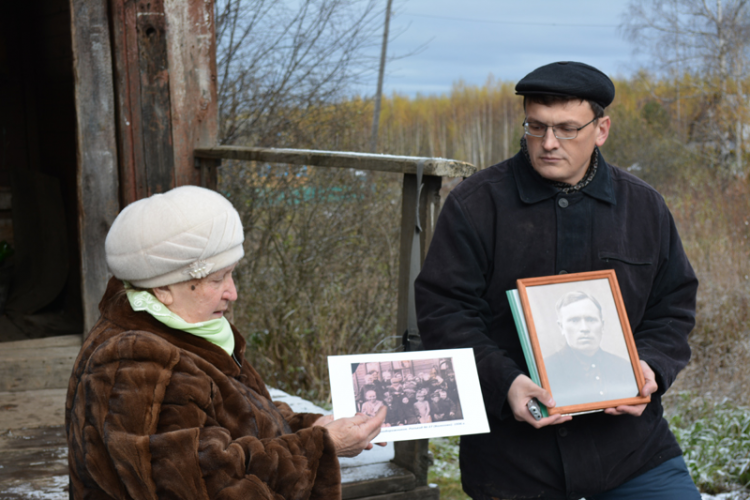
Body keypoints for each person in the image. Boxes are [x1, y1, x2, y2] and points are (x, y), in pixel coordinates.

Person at [415, 61, 700, 500]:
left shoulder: (644, 208)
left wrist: (648, 366)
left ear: (601, 129)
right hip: (514, 463)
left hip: (632, 455)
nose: (548, 143)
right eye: (536, 127)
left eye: (567, 129)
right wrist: (505, 382)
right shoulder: (475, 205)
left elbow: (673, 306)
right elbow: (444, 313)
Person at [66, 185, 386, 500]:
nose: (232, 293)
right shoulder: (135, 363)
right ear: (162, 288)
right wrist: (318, 447)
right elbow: (206, 485)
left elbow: (239, 418)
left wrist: (312, 425)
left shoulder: (187, 329)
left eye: (232, 275)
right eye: (216, 280)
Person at [544, 291, 638, 407]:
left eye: (590, 320)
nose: (584, 328)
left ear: (602, 325)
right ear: (561, 327)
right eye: (574, 320)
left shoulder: (623, 367)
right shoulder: (546, 370)